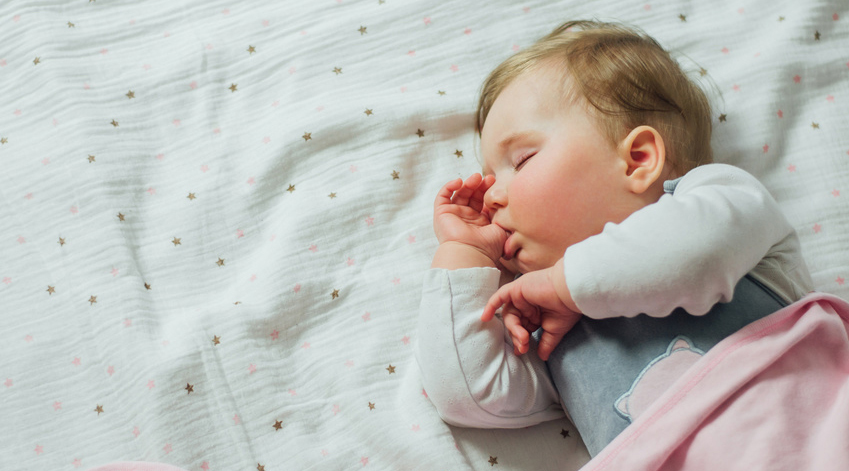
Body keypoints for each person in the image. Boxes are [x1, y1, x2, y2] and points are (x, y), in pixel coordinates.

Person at [415, 20, 814, 457]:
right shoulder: (550, 335)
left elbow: (695, 261)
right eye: (490, 176)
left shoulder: (722, 201)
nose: (490, 195)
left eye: (522, 159)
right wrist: (464, 252)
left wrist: (564, 288)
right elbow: (467, 395)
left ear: (637, 160)